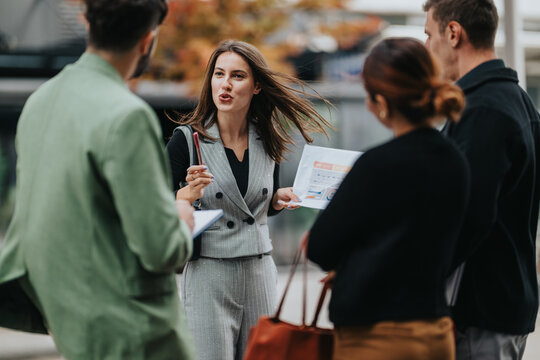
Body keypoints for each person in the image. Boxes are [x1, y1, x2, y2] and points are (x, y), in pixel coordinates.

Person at [0, 1, 196, 359]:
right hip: (135, 334)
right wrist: (182, 214)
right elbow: (161, 249)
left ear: (87, 24)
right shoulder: (127, 116)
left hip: (72, 323)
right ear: (147, 40)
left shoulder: (40, 101)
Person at [166, 39, 332, 360]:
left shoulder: (267, 138)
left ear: (256, 86)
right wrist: (185, 196)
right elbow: (154, 209)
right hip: (208, 274)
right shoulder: (186, 140)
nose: (225, 84)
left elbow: (257, 202)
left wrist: (277, 199)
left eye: (238, 76)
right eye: (218, 74)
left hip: (259, 271)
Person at [307, 37, 470, 360]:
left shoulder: (375, 164)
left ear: (380, 102)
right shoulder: (456, 160)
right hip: (435, 331)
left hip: (375, 337)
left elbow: (321, 247)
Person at [423, 1, 540, 358]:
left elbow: (468, 215)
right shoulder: (515, 100)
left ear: (454, 33)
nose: (426, 47)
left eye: (429, 35)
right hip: (500, 300)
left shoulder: (483, 109)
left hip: (478, 310)